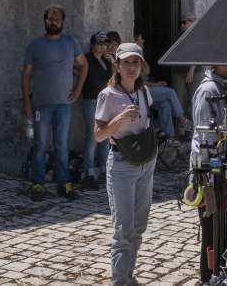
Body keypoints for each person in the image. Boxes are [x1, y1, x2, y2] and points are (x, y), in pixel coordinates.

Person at [95, 43, 157, 286]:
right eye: (127, 62)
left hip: (146, 162)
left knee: (139, 227)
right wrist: (118, 119)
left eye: (136, 62)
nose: (132, 67)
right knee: (123, 230)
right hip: (121, 165)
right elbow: (98, 136)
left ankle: (129, 276)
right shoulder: (107, 95)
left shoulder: (143, 92)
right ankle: (120, 281)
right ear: (118, 66)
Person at [188, 63, 227, 284]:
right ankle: (207, 278)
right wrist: (211, 173)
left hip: (226, 170)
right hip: (210, 174)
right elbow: (205, 137)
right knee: (212, 232)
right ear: (215, 64)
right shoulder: (208, 89)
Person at [21, 5, 83, 200]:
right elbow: (26, 74)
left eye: (56, 19)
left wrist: (78, 89)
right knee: (40, 144)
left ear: (62, 22)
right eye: (49, 19)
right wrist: (26, 102)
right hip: (40, 104)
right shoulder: (35, 44)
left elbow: (84, 65)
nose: (53, 22)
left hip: (63, 104)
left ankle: (63, 183)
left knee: (62, 145)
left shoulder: (71, 42)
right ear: (45, 21)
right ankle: (38, 184)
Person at [79, 32, 115, 189]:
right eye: (100, 44)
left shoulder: (105, 61)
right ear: (93, 44)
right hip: (91, 101)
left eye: (104, 44)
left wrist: (113, 63)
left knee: (105, 138)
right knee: (92, 137)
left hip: (105, 102)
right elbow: (91, 80)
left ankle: (104, 171)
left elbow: (114, 79)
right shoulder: (87, 59)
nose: (102, 47)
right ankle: (88, 172)